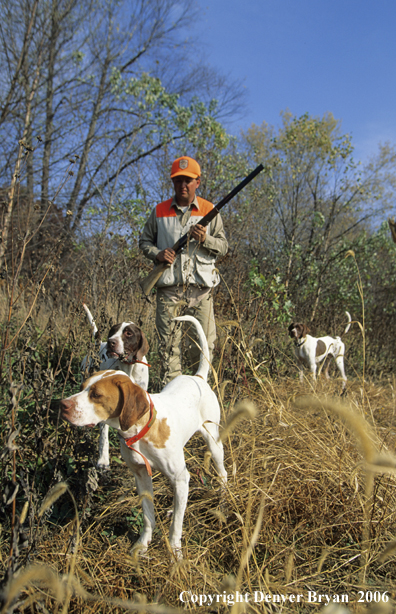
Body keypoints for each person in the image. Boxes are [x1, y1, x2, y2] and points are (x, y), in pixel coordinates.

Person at [139, 156, 228, 384]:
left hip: (201, 292)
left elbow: (223, 247)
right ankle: (172, 398)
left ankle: (202, 394)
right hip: (169, 292)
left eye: (188, 180)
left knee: (205, 346)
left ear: (198, 182)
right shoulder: (159, 211)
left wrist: (205, 239)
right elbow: (144, 242)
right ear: (173, 183)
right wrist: (157, 254)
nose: (183, 185)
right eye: (178, 180)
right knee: (169, 349)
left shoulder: (210, 210)